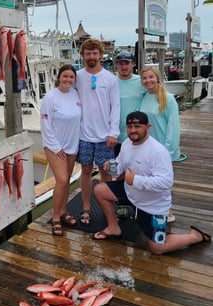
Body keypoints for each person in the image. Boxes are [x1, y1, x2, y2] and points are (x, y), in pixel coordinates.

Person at [93, 111, 211, 254]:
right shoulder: (126, 143)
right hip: (131, 193)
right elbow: (120, 166)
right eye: (129, 126)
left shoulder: (158, 151)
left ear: (147, 127)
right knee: (99, 190)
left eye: (137, 126)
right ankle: (113, 227)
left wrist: (135, 180)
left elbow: (166, 182)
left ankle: (195, 236)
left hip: (153, 205)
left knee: (158, 248)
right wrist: (112, 166)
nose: (133, 130)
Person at [75, 38, 120, 225]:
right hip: (84, 134)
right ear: (83, 56)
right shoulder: (77, 76)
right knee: (85, 170)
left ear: (101, 55)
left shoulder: (110, 78)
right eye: (88, 53)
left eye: (95, 53)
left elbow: (115, 106)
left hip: (105, 136)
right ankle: (86, 207)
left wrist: (113, 132)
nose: (91, 56)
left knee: (106, 172)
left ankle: (106, 207)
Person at [40, 64, 81, 236]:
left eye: (71, 77)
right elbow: (45, 124)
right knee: (62, 180)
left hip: (73, 145)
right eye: (65, 76)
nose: (68, 80)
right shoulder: (50, 98)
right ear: (59, 77)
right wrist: (56, 147)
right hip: (54, 146)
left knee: (68, 181)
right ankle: (56, 217)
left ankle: (63, 212)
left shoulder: (75, 94)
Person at [139, 66, 181, 222]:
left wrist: (169, 151)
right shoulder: (144, 97)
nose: (148, 80)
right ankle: (152, 210)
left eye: (151, 77)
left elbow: (173, 126)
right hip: (147, 148)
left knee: (163, 183)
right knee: (150, 181)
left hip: (163, 148)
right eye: (145, 78)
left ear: (157, 78)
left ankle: (168, 211)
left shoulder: (168, 98)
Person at [115, 50, 146, 157]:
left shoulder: (142, 81)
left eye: (127, 63)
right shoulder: (111, 82)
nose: (124, 67)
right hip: (115, 136)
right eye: (121, 63)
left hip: (136, 135)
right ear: (116, 65)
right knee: (117, 171)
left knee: (136, 170)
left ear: (133, 64)